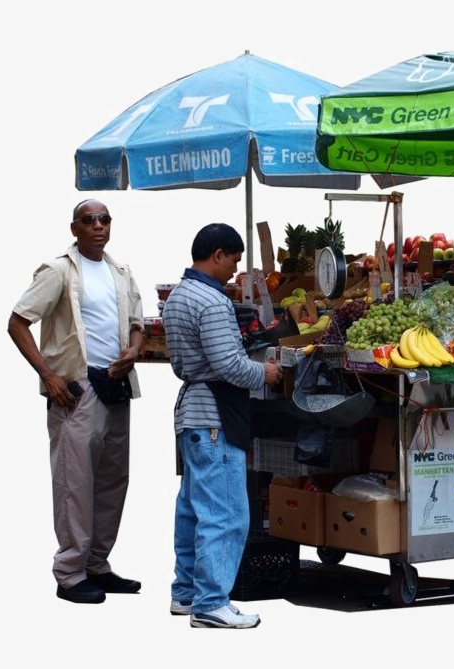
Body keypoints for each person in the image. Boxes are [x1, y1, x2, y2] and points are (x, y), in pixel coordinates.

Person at [7, 199, 144, 605]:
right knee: (75, 482)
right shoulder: (59, 272)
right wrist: (48, 376)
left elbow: (137, 326)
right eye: (89, 220)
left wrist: (134, 350)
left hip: (117, 384)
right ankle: (70, 572)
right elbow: (17, 322)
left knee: (113, 480)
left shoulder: (121, 272)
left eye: (104, 219)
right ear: (75, 228)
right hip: (77, 389)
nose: (98, 226)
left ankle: (97, 565)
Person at [162, 223, 280, 629]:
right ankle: (211, 602)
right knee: (227, 513)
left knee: (193, 511)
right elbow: (229, 365)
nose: (234, 269)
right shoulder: (211, 301)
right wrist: (265, 373)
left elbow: (189, 362)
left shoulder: (178, 295)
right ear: (216, 254)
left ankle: (186, 592)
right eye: (233, 259)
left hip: (191, 415)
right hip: (213, 419)